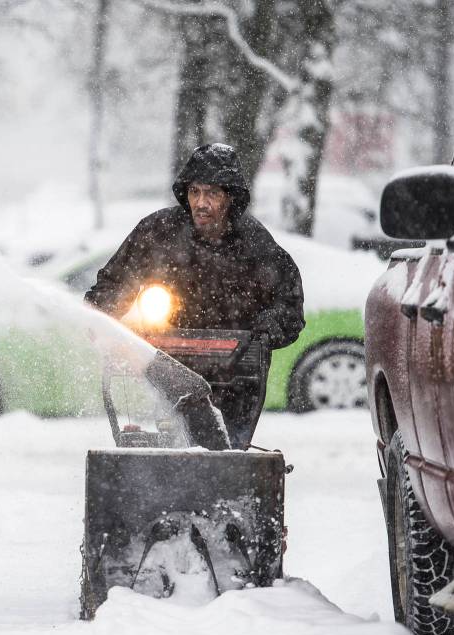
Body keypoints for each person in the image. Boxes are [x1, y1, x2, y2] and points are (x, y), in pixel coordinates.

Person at [85, 143, 305, 448]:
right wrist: (100, 316)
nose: (201, 203)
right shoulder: (159, 231)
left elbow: (288, 304)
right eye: (195, 192)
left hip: (236, 372)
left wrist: (268, 326)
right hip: (173, 361)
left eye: (212, 194)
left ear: (230, 197)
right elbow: (116, 281)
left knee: (224, 448)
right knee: (174, 443)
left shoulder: (255, 244)